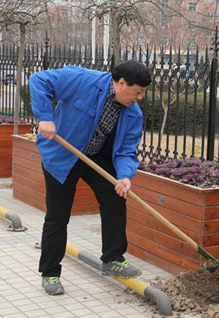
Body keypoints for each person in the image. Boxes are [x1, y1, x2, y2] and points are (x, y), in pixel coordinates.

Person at [29, 60, 152, 296]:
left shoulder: (133, 114)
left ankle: (113, 258)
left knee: (115, 199)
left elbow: (127, 150)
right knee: (58, 215)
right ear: (122, 83)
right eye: (137, 92)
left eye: (142, 94)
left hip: (97, 157)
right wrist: (45, 116)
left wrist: (125, 176)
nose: (139, 98)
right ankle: (50, 273)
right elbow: (39, 80)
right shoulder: (82, 80)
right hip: (63, 155)